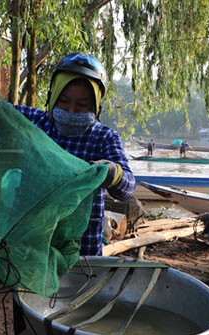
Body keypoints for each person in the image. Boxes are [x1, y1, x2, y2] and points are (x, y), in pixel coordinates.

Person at [11, 52, 135, 256]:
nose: (71, 111)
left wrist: (114, 173)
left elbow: (128, 188)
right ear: (52, 96)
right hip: (33, 244)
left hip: (82, 250)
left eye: (82, 105)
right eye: (64, 101)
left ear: (96, 105)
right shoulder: (36, 123)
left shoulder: (104, 138)